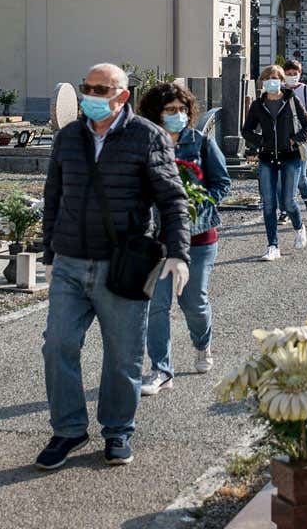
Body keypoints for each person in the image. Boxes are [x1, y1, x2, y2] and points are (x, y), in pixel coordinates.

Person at [36, 63, 190, 470]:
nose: (90, 95)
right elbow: (54, 195)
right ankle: (67, 429)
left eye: (99, 90)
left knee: (122, 356)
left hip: (121, 265)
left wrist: (177, 252)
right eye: (87, 88)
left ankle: (118, 429)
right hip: (70, 260)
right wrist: (48, 252)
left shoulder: (147, 136)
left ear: (122, 96)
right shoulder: (69, 137)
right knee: (58, 345)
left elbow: (172, 199)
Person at [138, 82, 231, 396]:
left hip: (198, 236)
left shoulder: (201, 142)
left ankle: (202, 344)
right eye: (169, 110)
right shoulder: (146, 143)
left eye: (181, 110)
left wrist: (200, 203)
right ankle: (161, 370)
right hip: (157, 238)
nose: (177, 115)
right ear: (156, 114)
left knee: (193, 302)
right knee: (156, 306)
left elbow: (221, 182)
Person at [242, 64, 307, 261]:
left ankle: (299, 227)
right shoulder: (258, 105)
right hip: (267, 157)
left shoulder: (291, 100)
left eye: (275, 78)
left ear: (282, 81)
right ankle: (272, 246)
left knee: (289, 202)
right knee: (268, 204)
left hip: (290, 156)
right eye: (267, 78)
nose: (271, 81)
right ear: (263, 82)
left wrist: (294, 139)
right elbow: (246, 131)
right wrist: (261, 141)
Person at [281, 59, 307, 220]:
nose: (291, 77)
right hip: (283, 139)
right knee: (282, 177)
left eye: (294, 74)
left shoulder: (305, 90)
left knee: (300, 176)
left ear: (299, 74)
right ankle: (284, 211)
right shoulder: (279, 90)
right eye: (288, 74)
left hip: (301, 138)